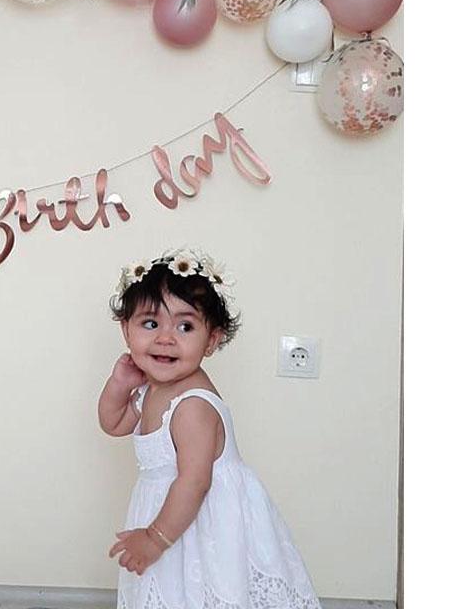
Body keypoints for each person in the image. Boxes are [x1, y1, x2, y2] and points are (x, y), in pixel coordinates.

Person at [98, 248, 322, 609]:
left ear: (212, 340)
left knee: (202, 591)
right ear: (127, 330)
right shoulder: (150, 388)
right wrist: (118, 385)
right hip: (171, 518)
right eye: (151, 324)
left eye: (185, 326)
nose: (166, 338)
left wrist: (155, 538)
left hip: (203, 524)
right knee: (172, 590)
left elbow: (195, 482)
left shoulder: (192, 406)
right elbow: (114, 423)